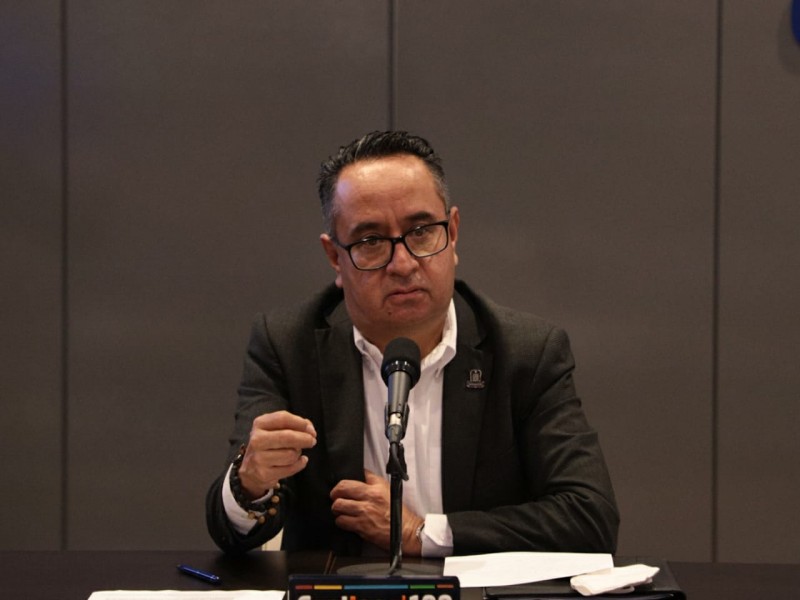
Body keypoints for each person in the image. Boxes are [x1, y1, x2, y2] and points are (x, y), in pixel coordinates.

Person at [206, 130, 619, 557]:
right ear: (335, 258)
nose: (402, 264)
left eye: (421, 232)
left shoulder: (526, 353)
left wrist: (422, 533)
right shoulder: (289, 346)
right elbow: (232, 532)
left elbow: (589, 518)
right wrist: (249, 482)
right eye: (371, 242)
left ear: (452, 234)